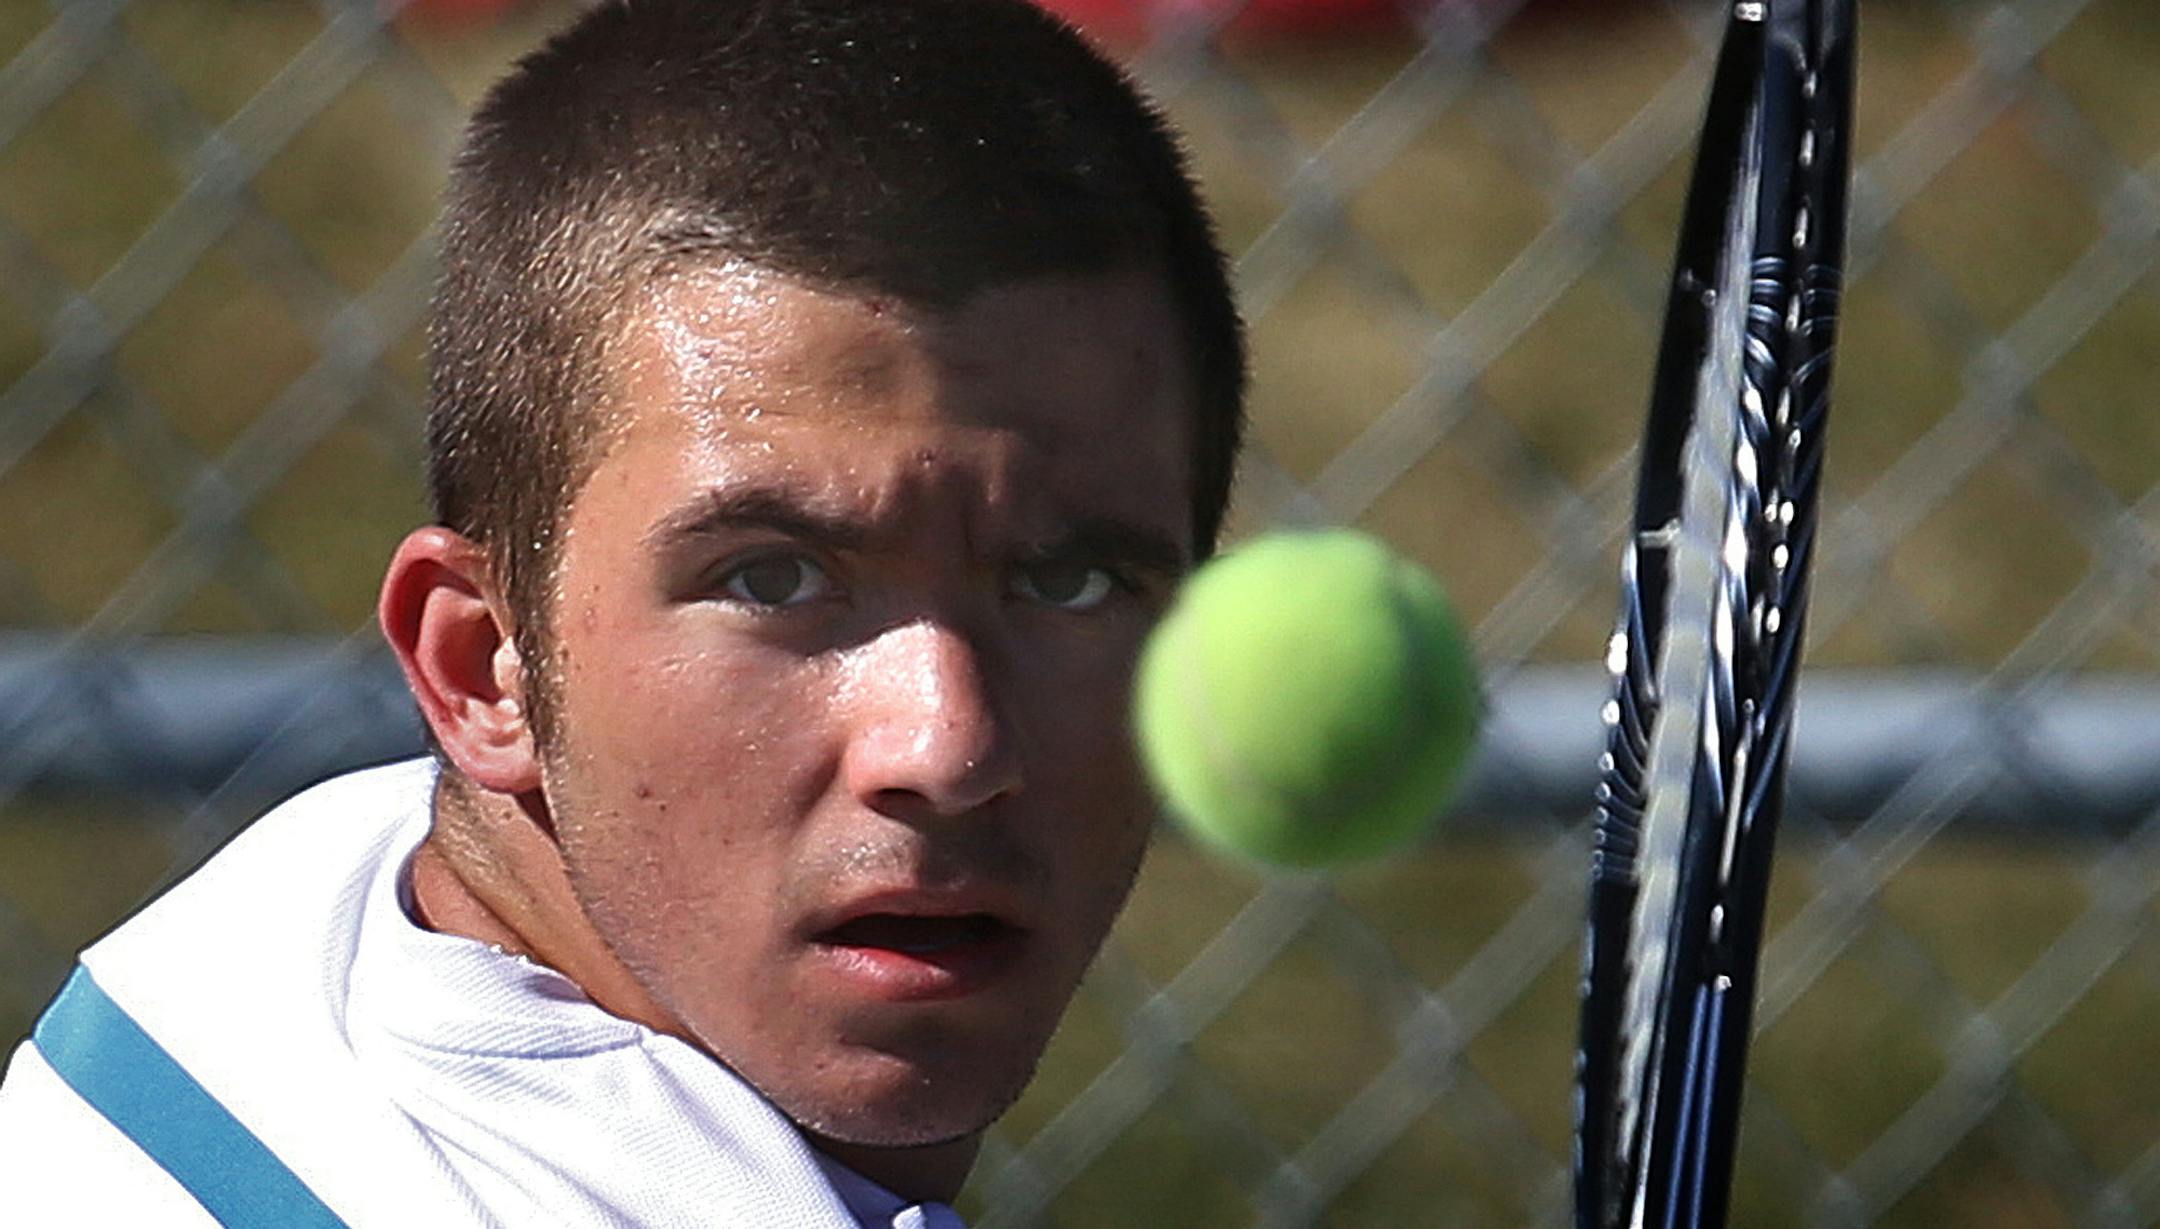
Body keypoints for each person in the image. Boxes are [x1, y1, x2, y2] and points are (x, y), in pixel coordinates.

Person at [0, 0, 1245, 1224]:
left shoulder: (279, 942)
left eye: (1075, 579)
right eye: (771, 578)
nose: (947, 744)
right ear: (485, 665)